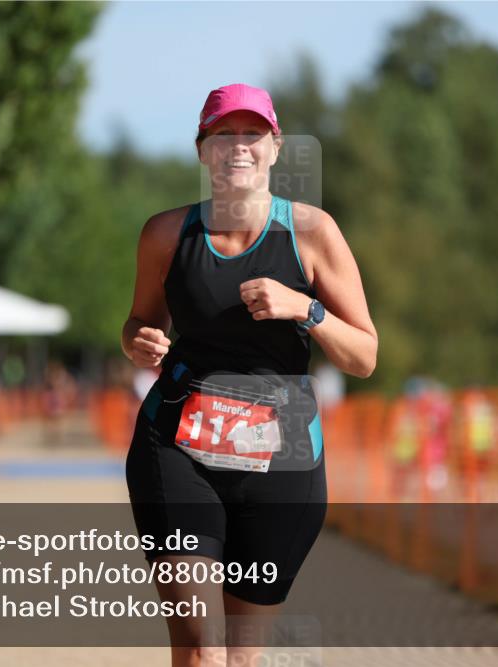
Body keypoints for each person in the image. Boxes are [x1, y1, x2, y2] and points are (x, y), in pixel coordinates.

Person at [121, 82, 377, 667]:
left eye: (252, 134)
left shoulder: (313, 233)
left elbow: (363, 356)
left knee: (242, 656)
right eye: (224, 135)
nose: (239, 146)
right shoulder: (165, 234)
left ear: (276, 147)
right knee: (201, 648)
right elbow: (138, 324)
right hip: (178, 447)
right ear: (202, 150)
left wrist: (305, 309)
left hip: (281, 463)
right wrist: (137, 340)